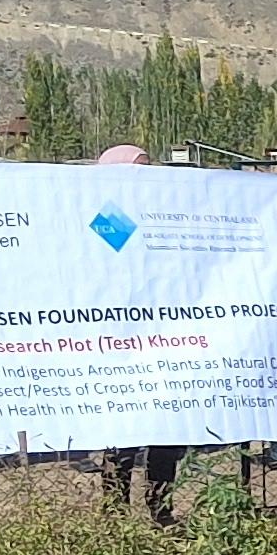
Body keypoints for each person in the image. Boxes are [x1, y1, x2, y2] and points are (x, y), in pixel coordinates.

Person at [86, 145, 189, 523]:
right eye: (138, 170)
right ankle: (115, 513)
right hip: (120, 341)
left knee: (166, 434)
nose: (147, 177)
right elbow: (118, 257)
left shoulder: (155, 208)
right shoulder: (103, 213)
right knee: (122, 436)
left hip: (160, 338)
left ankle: (161, 509)